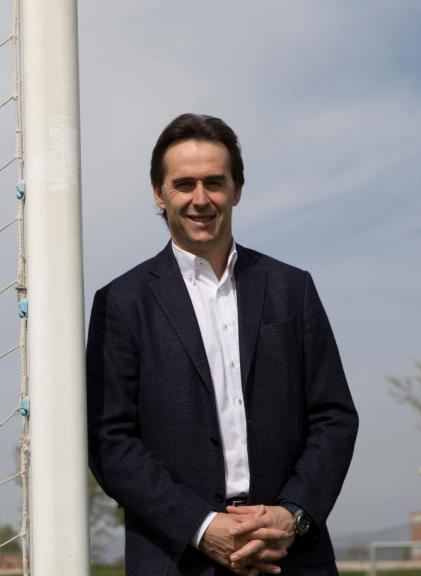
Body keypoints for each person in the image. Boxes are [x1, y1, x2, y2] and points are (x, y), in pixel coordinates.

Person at [86, 113, 358, 576]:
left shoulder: (293, 289)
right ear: (159, 193)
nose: (200, 199)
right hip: (176, 559)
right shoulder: (120, 303)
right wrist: (201, 526)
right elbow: (109, 440)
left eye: (214, 182)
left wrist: (292, 515)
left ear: (236, 189)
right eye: (183, 184)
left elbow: (333, 417)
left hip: (290, 556)